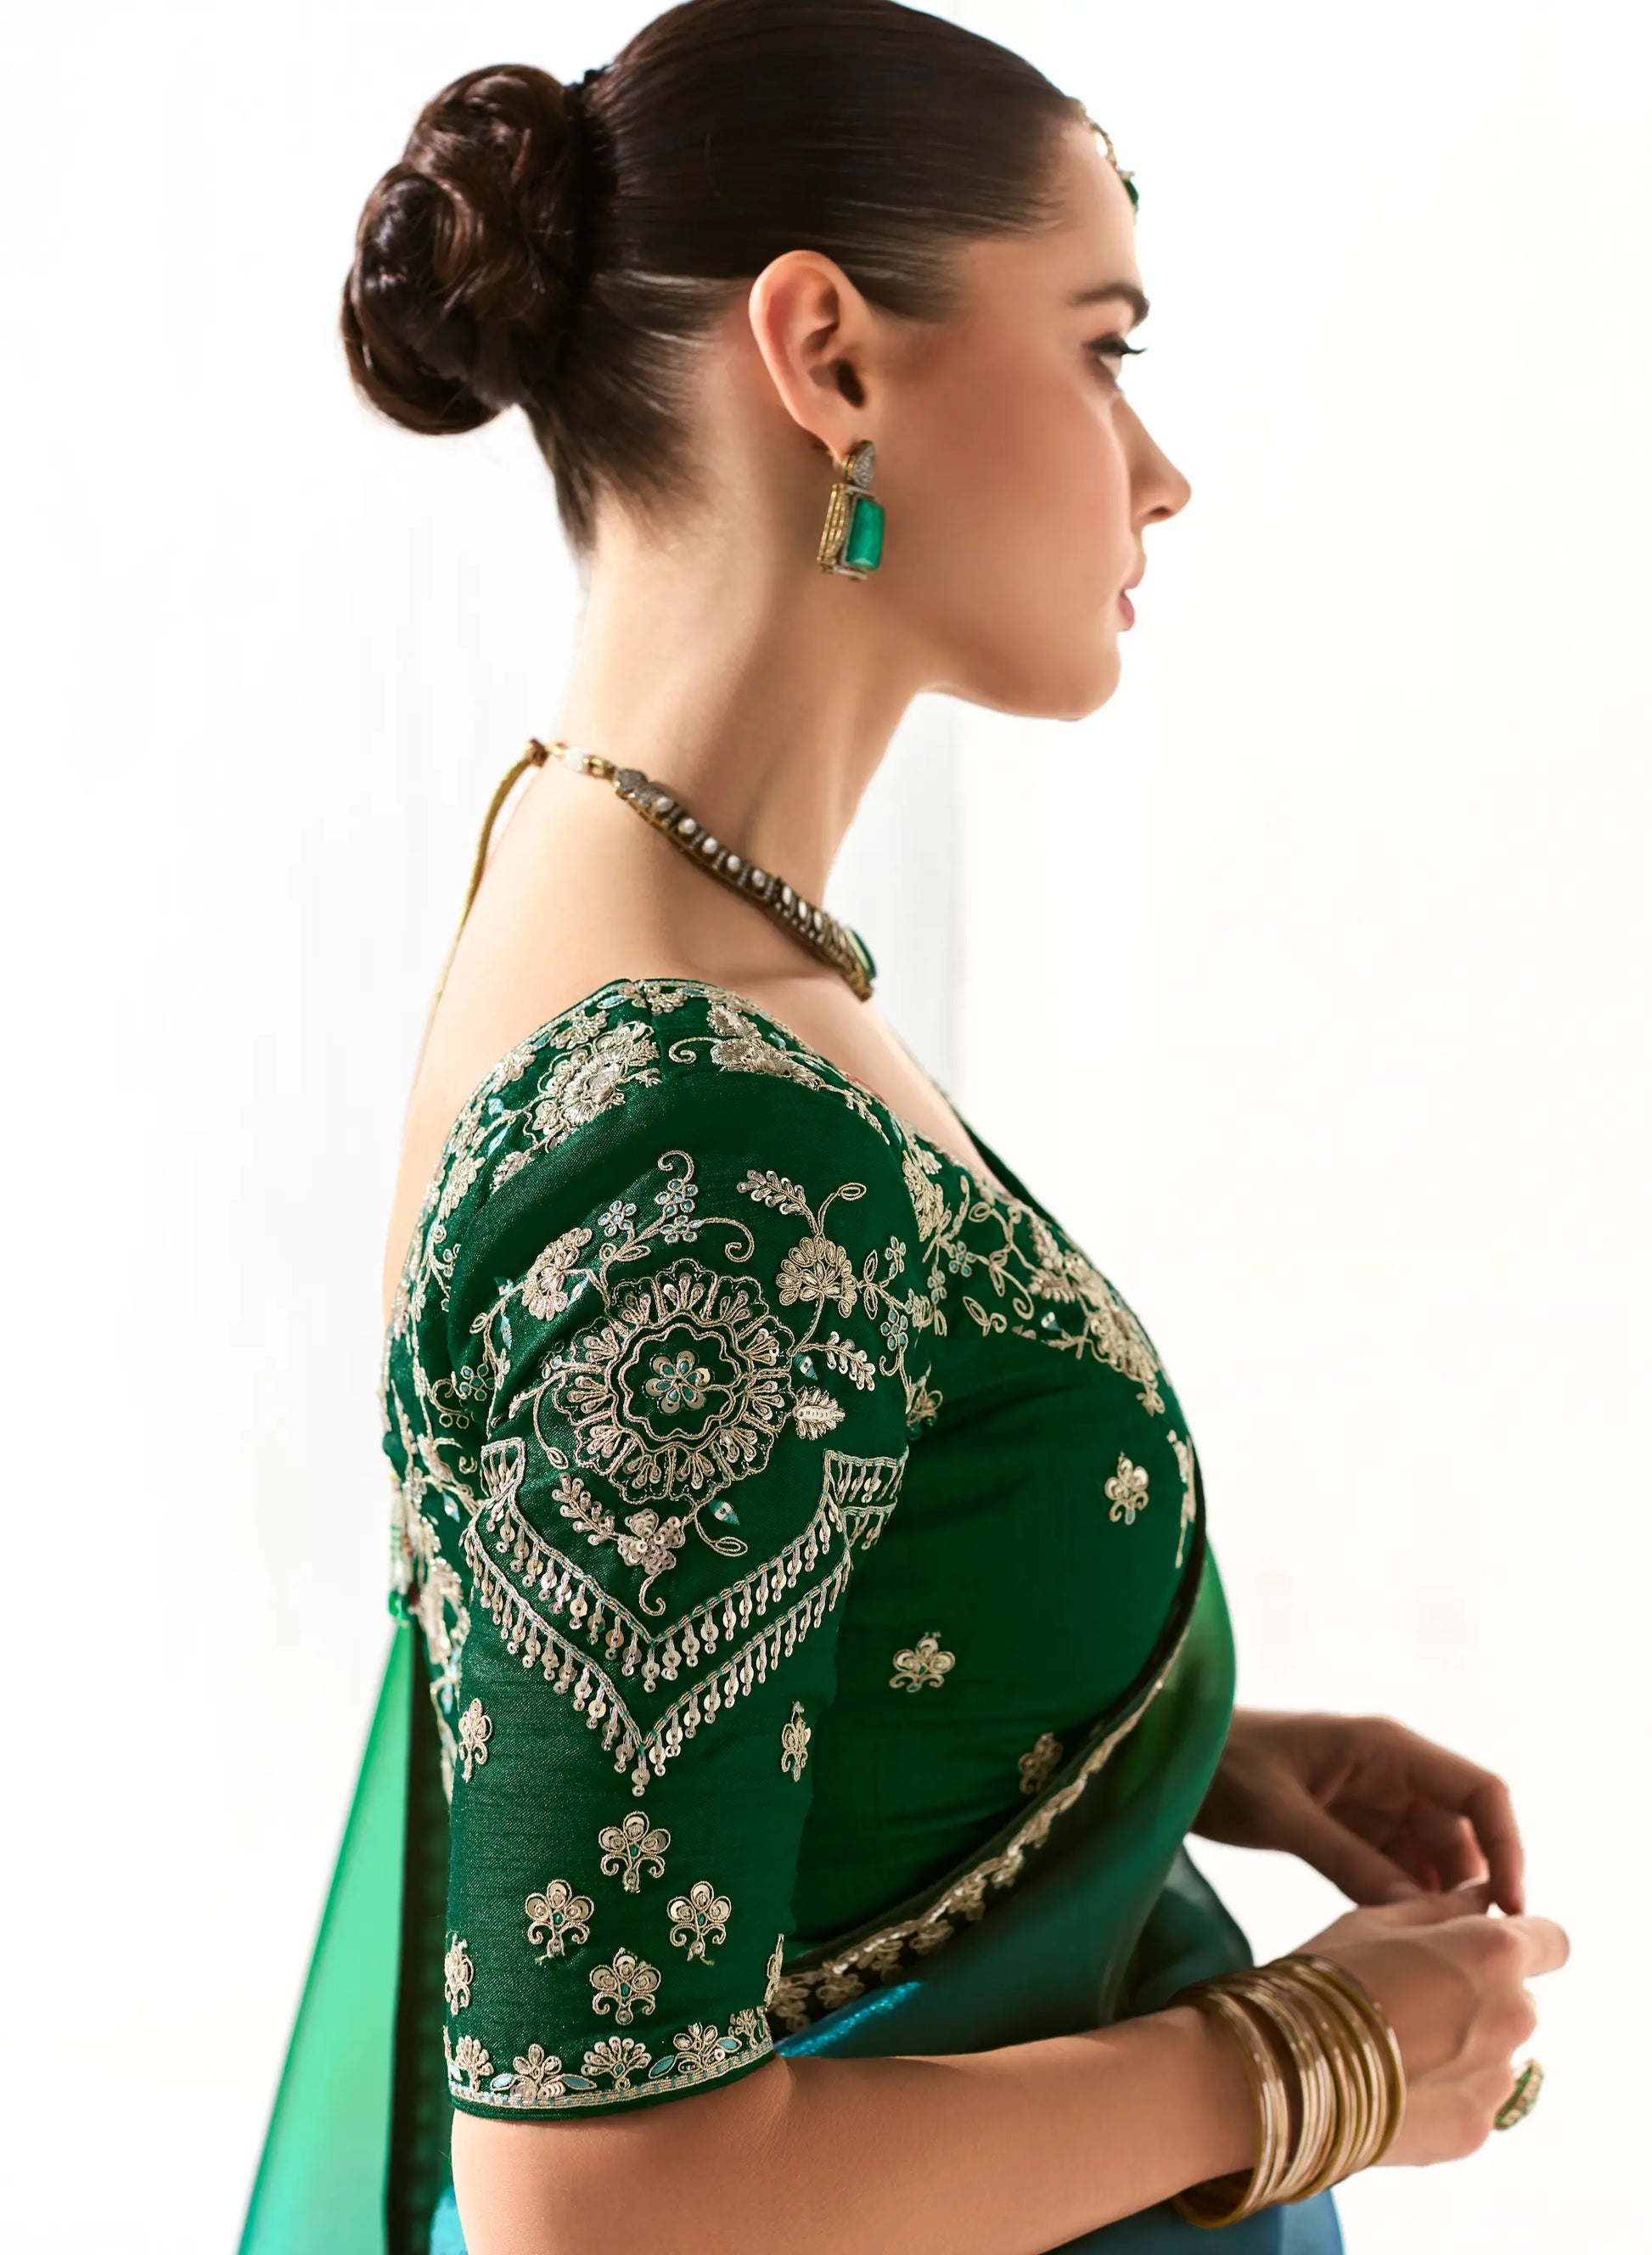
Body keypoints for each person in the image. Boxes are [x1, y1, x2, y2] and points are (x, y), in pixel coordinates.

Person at [237, 4, 1569, 2251]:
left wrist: (1140, 1738)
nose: (1157, 470)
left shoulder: (588, 868)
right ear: (829, 359)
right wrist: (1317, 2061)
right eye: (1102, 349)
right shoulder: (701, 1139)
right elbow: (595, 2197)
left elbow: (673, 1634)